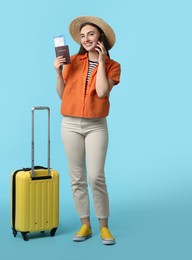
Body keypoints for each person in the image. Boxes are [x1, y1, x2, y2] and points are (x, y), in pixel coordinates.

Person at [53, 16, 121, 245]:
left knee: (96, 177)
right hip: (70, 124)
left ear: (100, 36)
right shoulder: (71, 61)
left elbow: (102, 92)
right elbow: (63, 95)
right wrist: (58, 71)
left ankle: (104, 227)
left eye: (90, 34)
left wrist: (101, 61)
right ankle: (85, 224)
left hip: (96, 126)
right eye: (83, 36)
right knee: (77, 177)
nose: (86, 38)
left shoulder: (113, 66)